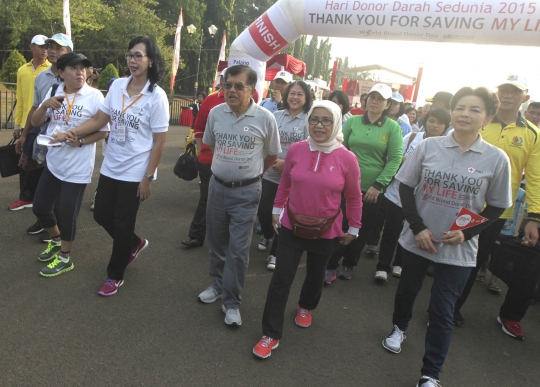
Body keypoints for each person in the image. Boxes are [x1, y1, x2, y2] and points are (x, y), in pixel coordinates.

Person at [382, 86, 511, 387]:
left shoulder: (496, 159)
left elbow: (498, 206)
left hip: (459, 251)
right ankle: (399, 328)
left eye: (475, 109)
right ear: (452, 112)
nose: (466, 114)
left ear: (487, 118)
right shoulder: (429, 146)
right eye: (461, 107)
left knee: (443, 311)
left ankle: (430, 374)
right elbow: (405, 187)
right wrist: (417, 228)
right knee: (406, 292)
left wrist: (467, 233)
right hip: (418, 240)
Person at [53, 36, 170, 296]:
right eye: (130, 55)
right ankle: (135, 243)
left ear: (151, 60)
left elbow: (159, 142)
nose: (133, 60)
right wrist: (71, 133)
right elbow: (99, 119)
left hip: (136, 170)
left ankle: (114, 275)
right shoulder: (117, 86)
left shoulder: (157, 96)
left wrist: (148, 177)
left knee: (122, 222)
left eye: (139, 55)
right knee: (101, 214)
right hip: (111, 166)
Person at [252, 101, 362, 359]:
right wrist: (277, 209)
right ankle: (271, 334)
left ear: (336, 123)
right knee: (281, 280)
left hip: (327, 229)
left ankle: (306, 306)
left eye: (326, 120)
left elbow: (354, 197)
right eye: (314, 119)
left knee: (315, 276)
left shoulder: (347, 158)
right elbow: (286, 182)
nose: (319, 125)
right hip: (292, 225)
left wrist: (354, 226)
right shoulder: (297, 150)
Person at [452, 76, 540, 339]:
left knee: (473, 260)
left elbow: (535, 178)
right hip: (459, 202)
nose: (508, 96)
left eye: (515, 92)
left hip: (495, 212)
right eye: (504, 90)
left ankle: (452, 307)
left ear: (524, 98)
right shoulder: (479, 121)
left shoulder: (531, 134)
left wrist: (534, 217)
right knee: (446, 252)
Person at [197, 65, 281, 327]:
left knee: (239, 250)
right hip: (217, 187)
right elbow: (209, 143)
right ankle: (217, 284)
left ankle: (232, 302)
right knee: (218, 242)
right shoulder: (215, 113)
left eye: (238, 86)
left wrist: (253, 174)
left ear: (251, 90)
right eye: (227, 85)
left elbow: (272, 156)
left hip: (247, 192)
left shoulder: (266, 118)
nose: (231, 90)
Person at [30, 53, 109, 277]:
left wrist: (81, 140)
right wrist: (45, 104)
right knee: (40, 207)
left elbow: (103, 130)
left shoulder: (95, 97)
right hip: (54, 163)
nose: (80, 73)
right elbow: (36, 122)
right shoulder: (54, 92)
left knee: (67, 214)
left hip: (77, 167)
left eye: (83, 68)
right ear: (61, 73)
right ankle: (56, 239)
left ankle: (65, 257)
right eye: (74, 69)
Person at [325, 83, 402, 283]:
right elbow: (339, 146)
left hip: (372, 188)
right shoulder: (353, 121)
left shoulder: (392, 127)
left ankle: (350, 262)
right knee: (339, 223)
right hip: (344, 183)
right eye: (372, 97)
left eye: (381, 99)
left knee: (361, 227)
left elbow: (395, 159)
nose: (375, 101)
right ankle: (331, 264)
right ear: (366, 100)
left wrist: (379, 185)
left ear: (387, 104)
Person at [374, 108, 451, 282]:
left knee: (410, 231)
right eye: (432, 120)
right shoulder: (411, 138)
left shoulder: (446, 146)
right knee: (391, 231)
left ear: (445, 126)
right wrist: (409, 161)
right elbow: (394, 157)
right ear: (426, 121)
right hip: (397, 194)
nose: (434, 125)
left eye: (440, 122)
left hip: (423, 199)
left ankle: (399, 264)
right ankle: (382, 267)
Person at [14, 33, 73, 241]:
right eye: (51, 46)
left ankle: (58, 230)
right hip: (41, 137)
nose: (53, 51)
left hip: (64, 142)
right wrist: (23, 135)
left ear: (69, 52)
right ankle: (46, 222)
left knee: (59, 185)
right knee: (40, 182)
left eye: (59, 48)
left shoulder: (75, 78)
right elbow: (34, 108)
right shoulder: (42, 77)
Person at [257, 81, 312, 270]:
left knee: (283, 216)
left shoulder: (309, 119)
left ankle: (275, 253)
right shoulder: (275, 116)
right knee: (264, 211)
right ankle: (267, 234)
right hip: (270, 173)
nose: (295, 97)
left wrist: (285, 164)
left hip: (294, 178)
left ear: (306, 98)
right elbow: (265, 141)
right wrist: (273, 162)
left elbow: (309, 150)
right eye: (292, 93)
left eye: (300, 94)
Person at [10, 35, 50, 215]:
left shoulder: (52, 69)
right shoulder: (22, 70)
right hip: (27, 122)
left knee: (42, 163)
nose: (45, 50)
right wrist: (17, 125)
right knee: (24, 162)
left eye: (47, 47)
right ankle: (26, 197)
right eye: (41, 46)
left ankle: (37, 198)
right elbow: (21, 99)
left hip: (43, 123)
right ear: (31, 47)